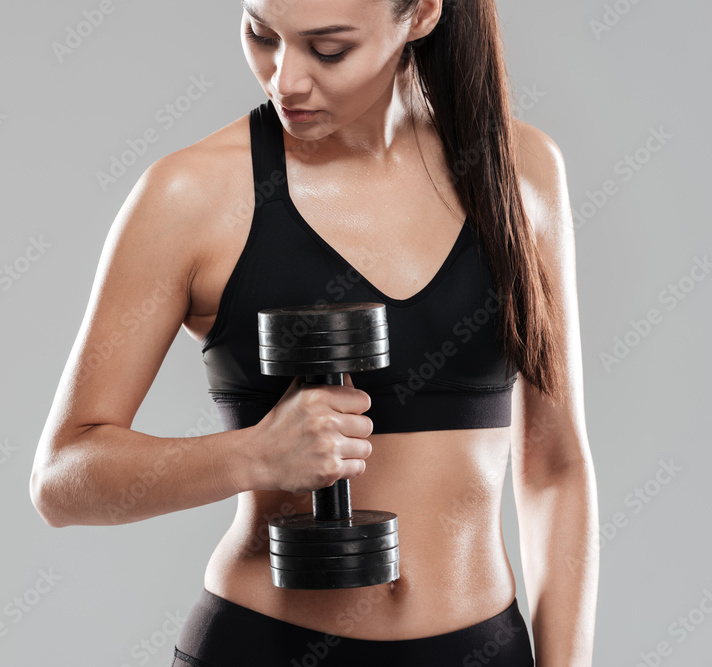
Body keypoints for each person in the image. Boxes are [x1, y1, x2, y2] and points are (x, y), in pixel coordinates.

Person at [30, 0, 598, 664]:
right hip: (266, 646)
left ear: (418, 15)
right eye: (261, 35)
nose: (284, 81)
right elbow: (62, 476)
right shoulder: (191, 196)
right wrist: (253, 455)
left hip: (482, 646)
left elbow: (556, 465)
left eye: (327, 50)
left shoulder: (521, 173)